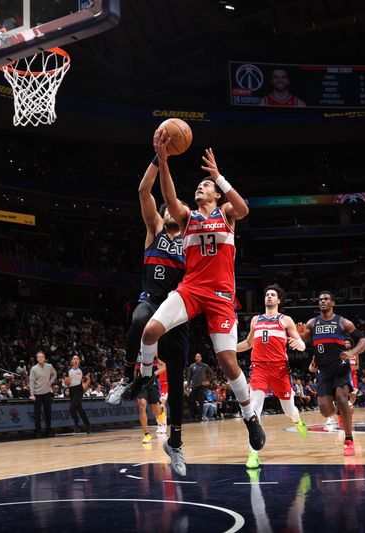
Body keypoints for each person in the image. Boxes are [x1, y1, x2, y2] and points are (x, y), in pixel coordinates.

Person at [139, 132, 265, 477]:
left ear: (215, 192)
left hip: (222, 295)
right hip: (192, 289)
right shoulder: (186, 218)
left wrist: (219, 177)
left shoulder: (226, 213)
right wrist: (163, 161)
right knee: (150, 330)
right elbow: (167, 195)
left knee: (227, 360)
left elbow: (243, 208)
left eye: (203, 186)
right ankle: (145, 377)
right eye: (197, 186)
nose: (199, 189)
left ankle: (250, 419)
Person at [106, 144, 191, 452]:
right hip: (152, 300)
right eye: (167, 206)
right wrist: (159, 157)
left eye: (175, 207)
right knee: (140, 318)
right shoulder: (154, 228)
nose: (170, 209)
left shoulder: (189, 240)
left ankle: (176, 441)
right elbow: (144, 190)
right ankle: (129, 377)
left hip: (179, 308)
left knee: (177, 374)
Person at [236, 284, 308, 469]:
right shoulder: (255, 320)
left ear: (278, 300)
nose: (269, 296)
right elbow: (248, 343)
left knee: (289, 410)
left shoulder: (285, 320)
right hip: (259, 368)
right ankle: (253, 454)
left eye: (272, 295)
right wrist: (228, 350)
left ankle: (298, 420)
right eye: (267, 294)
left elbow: (301, 345)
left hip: (280, 370)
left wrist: (298, 343)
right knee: (254, 410)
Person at [297, 291, 365, 457]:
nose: (322, 301)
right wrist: (296, 333)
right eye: (320, 299)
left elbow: (363, 340)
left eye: (326, 299)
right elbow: (301, 342)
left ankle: (348, 440)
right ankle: (342, 411)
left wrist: (352, 352)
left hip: (340, 367)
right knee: (324, 410)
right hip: (323, 370)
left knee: (342, 398)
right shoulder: (312, 323)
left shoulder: (343, 322)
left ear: (332, 303)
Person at [136, 357, 166, 444]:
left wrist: (155, 373)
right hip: (141, 384)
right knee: (141, 406)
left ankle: (162, 411)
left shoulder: (155, 356)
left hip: (153, 384)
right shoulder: (139, 355)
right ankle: (146, 434)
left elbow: (164, 366)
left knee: (156, 412)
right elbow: (135, 370)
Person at [29, 351, 57, 437]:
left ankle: (48, 431)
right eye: (39, 357)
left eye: (42, 357)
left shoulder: (49, 366)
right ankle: (38, 432)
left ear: (44, 358)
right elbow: (32, 382)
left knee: (48, 413)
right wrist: (32, 394)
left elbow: (54, 374)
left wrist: (51, 382)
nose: (41, 358)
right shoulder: (33, 369)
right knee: (37, 414)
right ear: (37, 359)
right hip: (37, 394)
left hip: (47, 393)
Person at [65, 355, 91, 433]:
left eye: (77, 359)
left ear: (79, 361)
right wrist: (67, 382)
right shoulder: (68, 370)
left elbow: (88, 379)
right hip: (71, 390)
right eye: (74, 359)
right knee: (80, 409)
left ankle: (76, 424)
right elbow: (66, 382)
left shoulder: (82, 369)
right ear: (72, 361)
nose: (75, 360)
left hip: (79, 390)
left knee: (71, 408)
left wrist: (86, 385)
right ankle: (88, 425)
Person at [187, 354, 212, 421]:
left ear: (201, 358)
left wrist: (208, 381)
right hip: (194, 386)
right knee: (192, 402)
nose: (197, 358)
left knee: (201, 402)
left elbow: (211, 373)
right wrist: (188, 385)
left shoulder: (205, 366)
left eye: (199, 356)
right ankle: (196, 414)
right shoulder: (192, 366)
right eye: (196, 356)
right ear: (195, 358)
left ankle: (200, 418)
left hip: (201, 386)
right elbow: (189, 376)